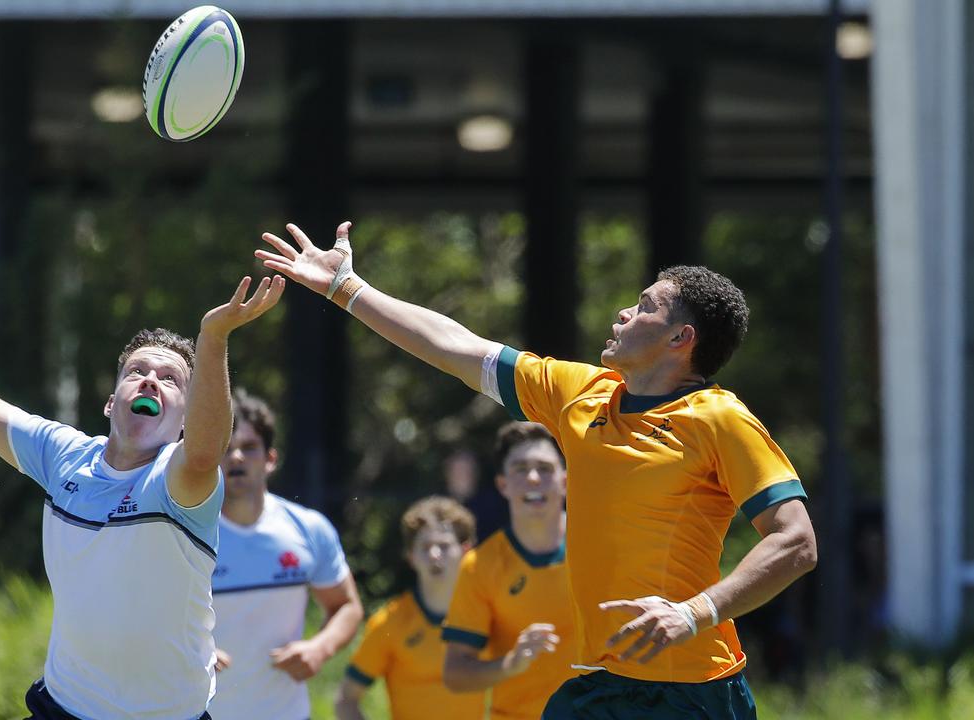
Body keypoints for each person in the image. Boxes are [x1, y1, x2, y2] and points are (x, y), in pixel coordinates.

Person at [258, 223, 818, 718]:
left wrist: (697, 612)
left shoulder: (720, 418)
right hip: (597, 685)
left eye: (645, 305)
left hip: (692, 689)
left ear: (680, 339)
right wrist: (345, 288)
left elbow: (795, 542)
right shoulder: (583, 394)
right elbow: (455, 347)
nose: (624, 311)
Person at [0, 275, 284, 720]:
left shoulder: (179, 480)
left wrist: (213, 337)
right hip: (64, 708)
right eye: (137, 372)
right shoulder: (65, 455)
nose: (150, 381)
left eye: (170, 379)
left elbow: (208, 449)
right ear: (112, 403)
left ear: (187, 419)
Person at [207, 387, 363, 719]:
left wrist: (319, 648)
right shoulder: (186, 533)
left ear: (270, 459)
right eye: (226, 449)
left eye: (249, 448)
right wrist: (189, 651)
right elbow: (145, 614)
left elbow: (346, 606)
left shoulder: (308, 528)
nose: (236, 458)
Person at [441, 421, 576, 720]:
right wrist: (510, 663)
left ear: (565, 481)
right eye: (520, 468)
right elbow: (456, 673)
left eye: (544, 468)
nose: (532, 477)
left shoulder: (602, 545)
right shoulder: (479, 566)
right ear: (503, 484)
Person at [336, 497, 485, 720]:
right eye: (425, 547)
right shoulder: (389, 622)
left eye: (444, 546)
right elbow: (346, 700)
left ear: (465, 551)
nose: (435, 555)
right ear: (411, 557)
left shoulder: (487, 615)